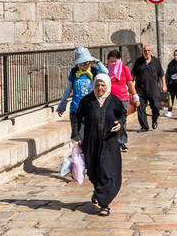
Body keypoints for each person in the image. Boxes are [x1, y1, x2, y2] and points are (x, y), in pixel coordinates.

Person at [75, 71, 127, 216]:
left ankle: (104, 204)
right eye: (97, 85)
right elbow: (77, 117)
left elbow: (122, 114)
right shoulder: (87, 100)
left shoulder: (114, 100)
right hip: (91, 142)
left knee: (108, 171)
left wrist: (120, 124)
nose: (100, 88)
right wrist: (77, 135)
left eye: (103, 85)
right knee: (93, 170)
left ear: (108, 86)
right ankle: (98, 191)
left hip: (109, 142)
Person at [56, 47, 108, 141]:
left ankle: (87, 154)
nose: (86, 65)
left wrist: (97, 61)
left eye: (87, 62)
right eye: (83, 63)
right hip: (76, 109)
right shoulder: (74, 72)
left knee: (90, 136)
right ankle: (77, 154)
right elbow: (68, 89)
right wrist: (62, 105)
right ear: (78, 63)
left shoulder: (94, 71)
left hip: (90, 108)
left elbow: (106, 72)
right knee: (76, 137)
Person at [132, 45, 166, 131]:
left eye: (148, 50)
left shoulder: (156, 61)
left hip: (153, 90)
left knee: (156, 107)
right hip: (140, 90)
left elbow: (162, 75)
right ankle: (144, 126)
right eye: (145, 51)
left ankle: (154, 120)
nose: (146, 52)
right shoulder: (138, 61)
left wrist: (164, 85)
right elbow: (133, 76)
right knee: (140, 108)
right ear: (142, 52)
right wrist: (132, 88)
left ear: (151, 51)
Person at [106, 48, 138, 120]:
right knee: (111, 120)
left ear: (119, 60)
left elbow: (130, 83)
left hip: (123, 99)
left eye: (115, 61)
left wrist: (136, 97)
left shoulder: (124, 68)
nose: (113, 63)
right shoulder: (106, 69)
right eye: (111, 61)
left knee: (122, 121)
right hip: (109, 100)